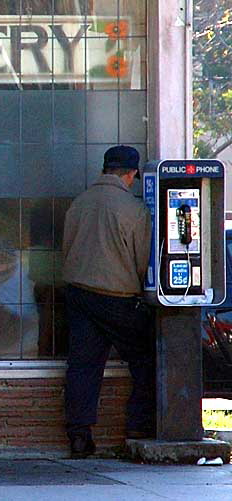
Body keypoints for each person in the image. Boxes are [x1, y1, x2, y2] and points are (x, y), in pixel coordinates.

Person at [62, 145, 155, 459]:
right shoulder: (134, 209)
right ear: (130, 175)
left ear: (105, 170)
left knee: (83, 367)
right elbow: (143, 263)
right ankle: (139, 425)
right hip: (118, 299)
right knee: (148, 356)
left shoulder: (78, 203)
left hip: (78, 294)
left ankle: (79, 437)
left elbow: (67, 248)